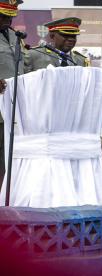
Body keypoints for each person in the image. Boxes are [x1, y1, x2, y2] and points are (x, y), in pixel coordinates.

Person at [0, 0, 24, 183]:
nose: (7, 21)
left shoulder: (16, 37)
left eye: (10, 17)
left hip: (13, 110)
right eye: (2, 16)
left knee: (9, 162)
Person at [25, 17, 89, 72]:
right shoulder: (34, 55)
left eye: (74, 36)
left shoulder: (81, 60)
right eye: (65, 35)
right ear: (52, 36)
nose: (71, 39)